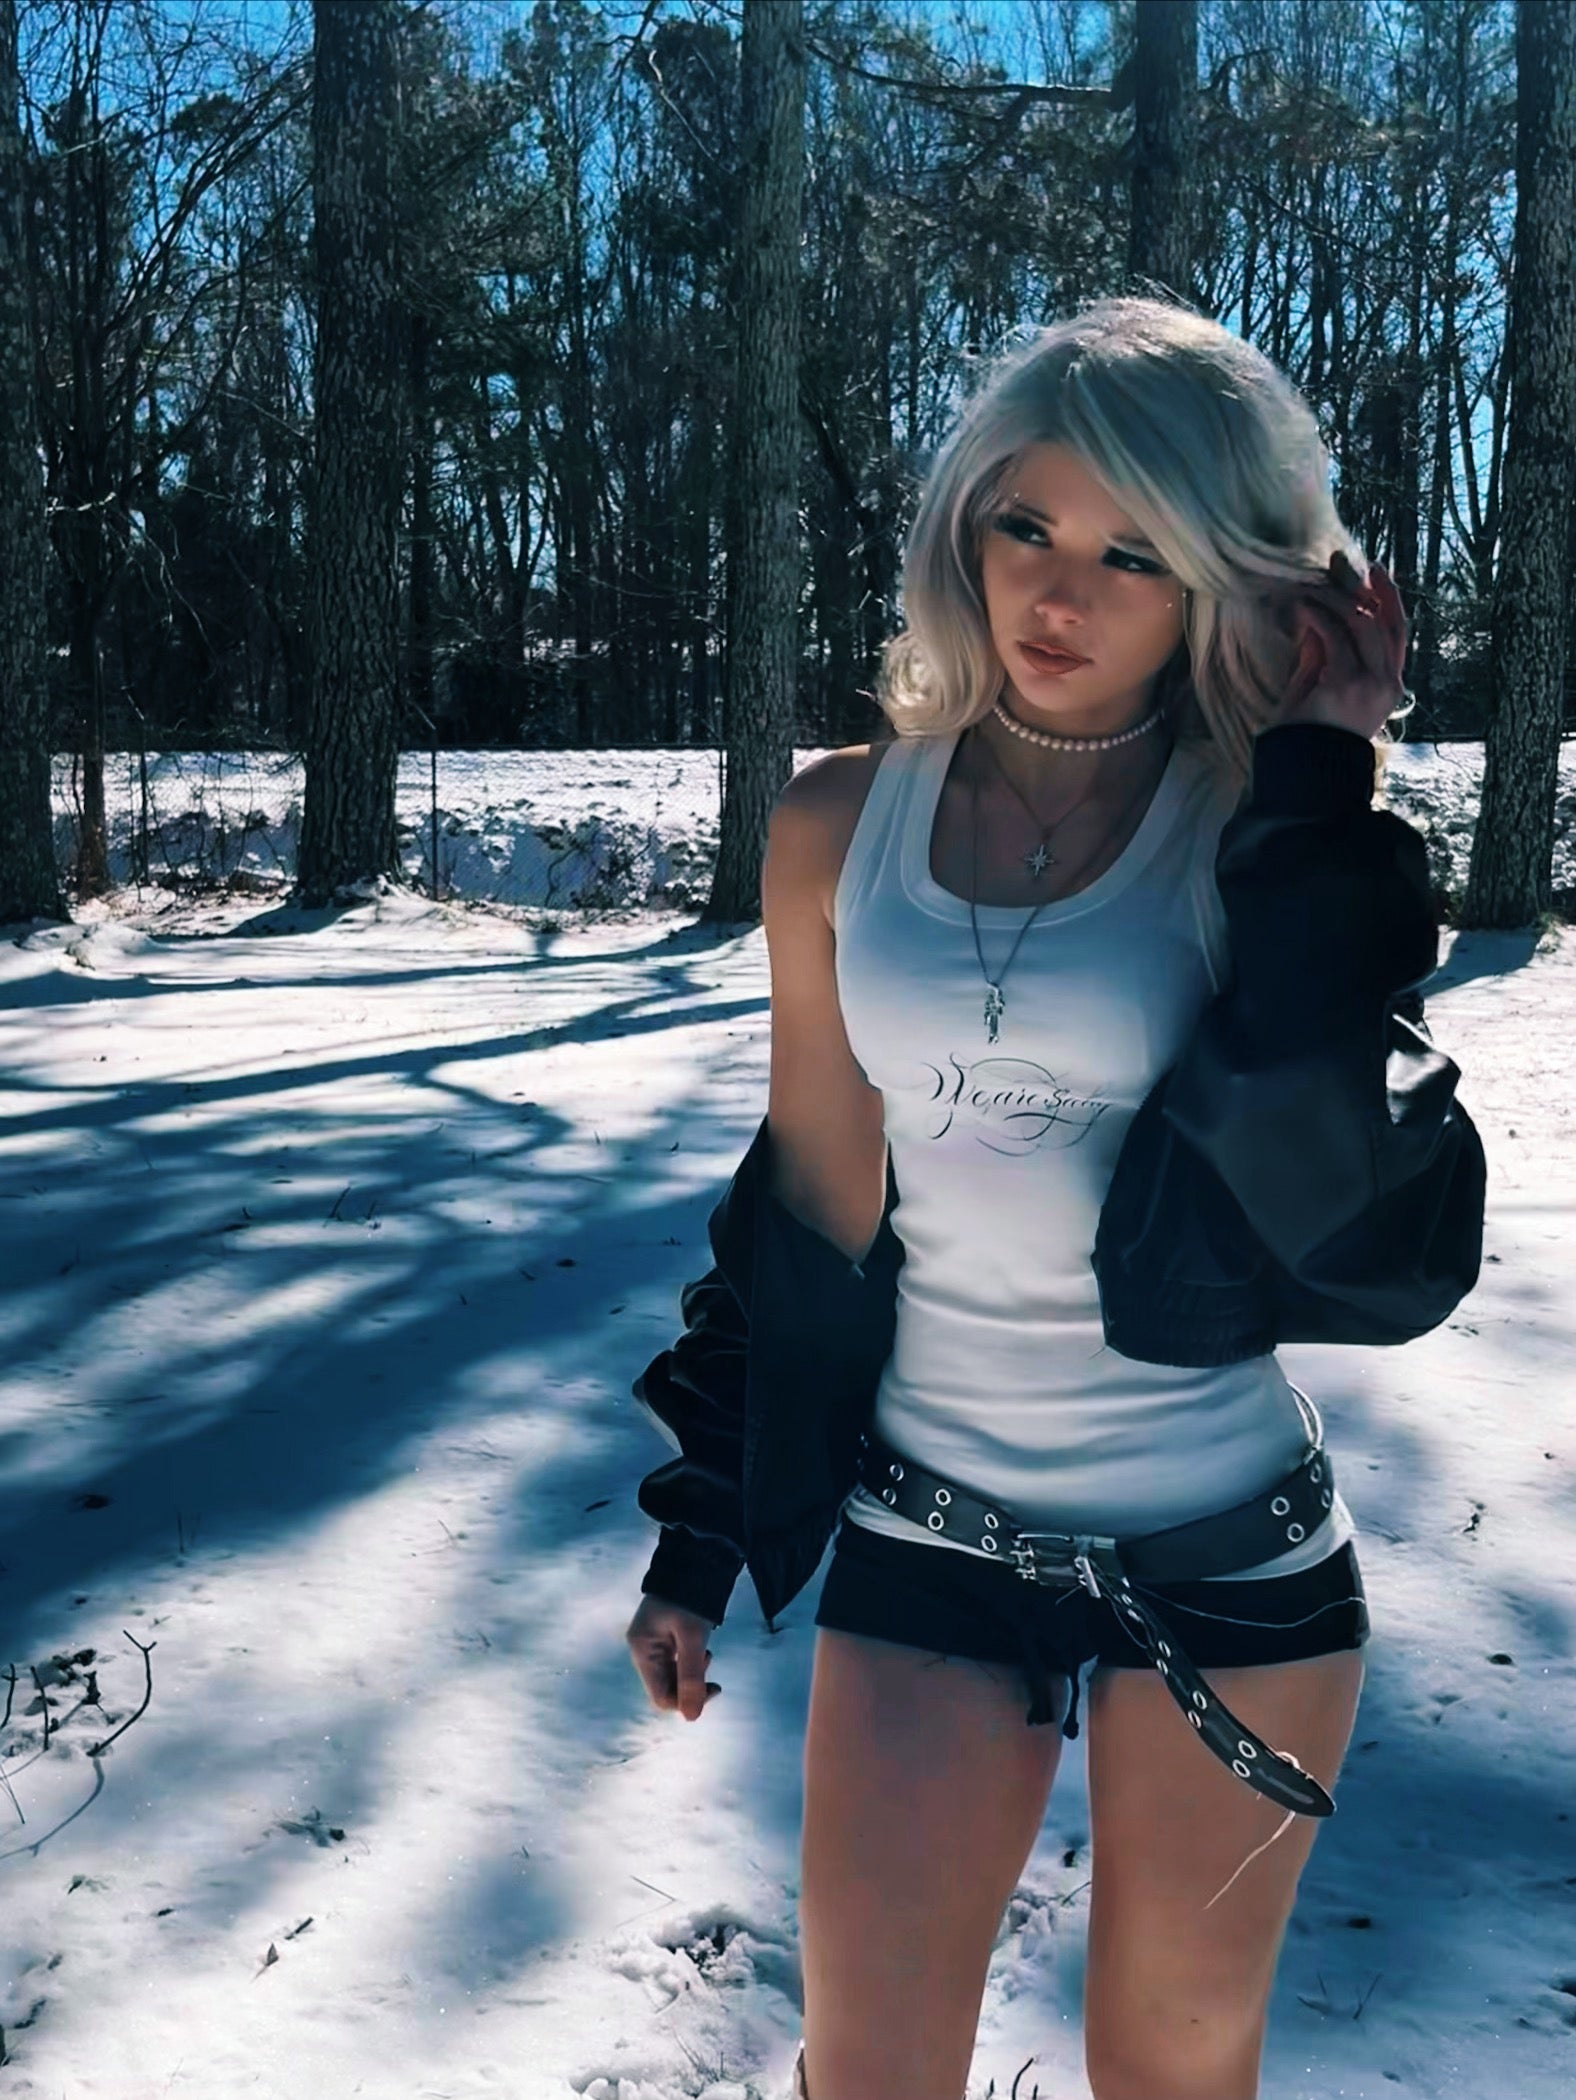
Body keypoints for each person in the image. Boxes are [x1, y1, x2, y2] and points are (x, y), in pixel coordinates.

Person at [626, 293, 1469, 2100]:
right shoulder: (836, 823)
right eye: (1028, 526)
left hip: (1230, 1557)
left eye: (1134, 554)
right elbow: (807, 1205)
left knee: (1170, 2070)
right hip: (931, 1532)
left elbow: (1348, 1203)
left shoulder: (1262, 828)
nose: (1060, 594)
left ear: (1221, 580)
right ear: (967, 528)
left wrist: (1321, 775)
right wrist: (702, 1527)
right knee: (870, 2070)